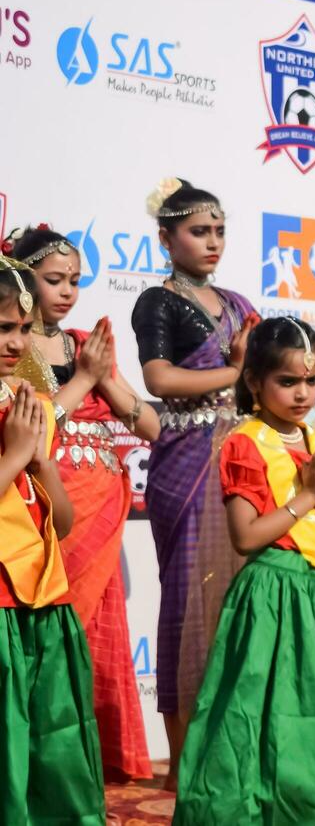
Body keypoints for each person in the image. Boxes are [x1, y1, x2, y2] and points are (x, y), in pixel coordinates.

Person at [174, 317, 315, 825]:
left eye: (311, 382)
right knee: (265, 717)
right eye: (287, 381)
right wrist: (308, 495)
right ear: (254, 382)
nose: (301, 394)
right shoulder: (244, 443)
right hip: (272, 593)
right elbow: (245, 537)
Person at [7, 224, 159, 782]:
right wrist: (86, 381)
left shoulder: (81, 341)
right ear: (24, 279)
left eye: (74, 279)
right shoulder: (14, 348)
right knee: (52, 623)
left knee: (95, 630)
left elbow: (150, 424)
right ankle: (38, 762)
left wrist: (104, 377)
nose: (68, 290)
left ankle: (88, 765)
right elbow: (34, 423)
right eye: (54, 279)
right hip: (48, 490)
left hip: (102, 497)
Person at [131, 178, 258, 787]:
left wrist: (250, 372)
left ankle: (232, 750)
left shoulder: (235, 302)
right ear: (166, 238)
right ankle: (184, 764)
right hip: (184, 460)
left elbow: (260, 379)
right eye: (198, 232)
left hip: (238, 454)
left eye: (219, 231)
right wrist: (234, 369)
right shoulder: (157, 302)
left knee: (239, 598)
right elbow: (158, 380)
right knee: (187, 602)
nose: (212, 243)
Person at [0, 255, 105, 823]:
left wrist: (37, 462)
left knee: (50, 742)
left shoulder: (30, 405)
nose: (17, 344)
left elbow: (60, 521)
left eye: (22, 328)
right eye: (2, 329)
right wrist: (16, 455)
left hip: (41, 601)